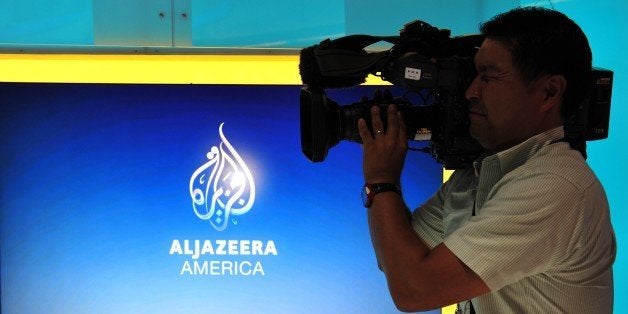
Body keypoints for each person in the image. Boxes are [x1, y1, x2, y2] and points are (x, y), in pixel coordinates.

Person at [357, 7, 616, 313]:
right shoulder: (480, 176)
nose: (470, 92)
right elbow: (396, 262)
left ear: (549, 92)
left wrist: (381, 181)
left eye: (488, 78)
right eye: (473, 75)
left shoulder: (556, 187)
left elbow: (414, 290)